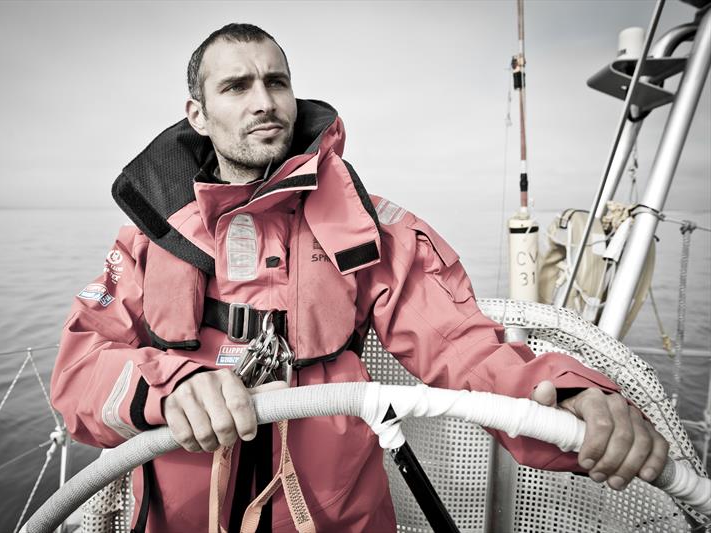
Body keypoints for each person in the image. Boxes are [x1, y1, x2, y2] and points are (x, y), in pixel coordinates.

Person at [51, 23, 667, 532]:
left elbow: (461, 344)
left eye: (276, 82)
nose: (263, 101)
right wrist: (170, 386)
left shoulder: (371, 226)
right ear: (199, 114)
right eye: (236, 87)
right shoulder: (147, 241)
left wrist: (568, 397)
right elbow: (79, 372)